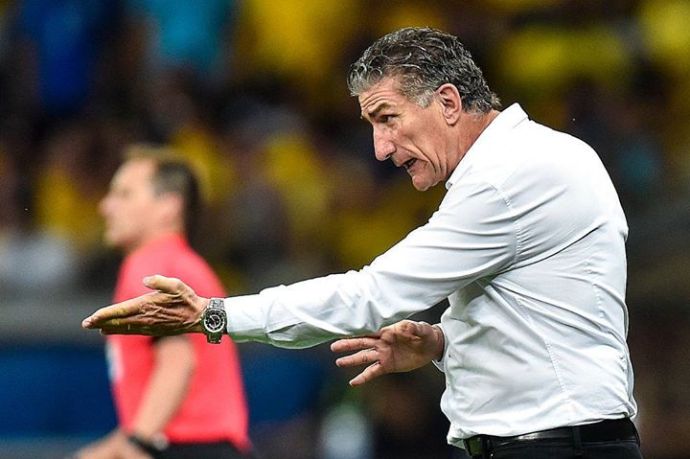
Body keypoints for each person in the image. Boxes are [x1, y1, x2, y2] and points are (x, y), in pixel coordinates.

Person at [82, 28, 642, 458]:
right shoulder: (543, 156)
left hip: (553, 447)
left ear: (448, 102)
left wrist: (212, 315)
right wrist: (445, 344)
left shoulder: (507, 180)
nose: (380, 148)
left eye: (388, 118)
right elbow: (556, 319)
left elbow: (370, 296)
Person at [76, 145, 252, 459]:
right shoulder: (186, 265)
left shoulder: (149, 267)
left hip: (186, 449)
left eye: (124, 194)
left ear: (168, 207)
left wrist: (137, 444)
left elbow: (178, 362)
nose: (105, 206)